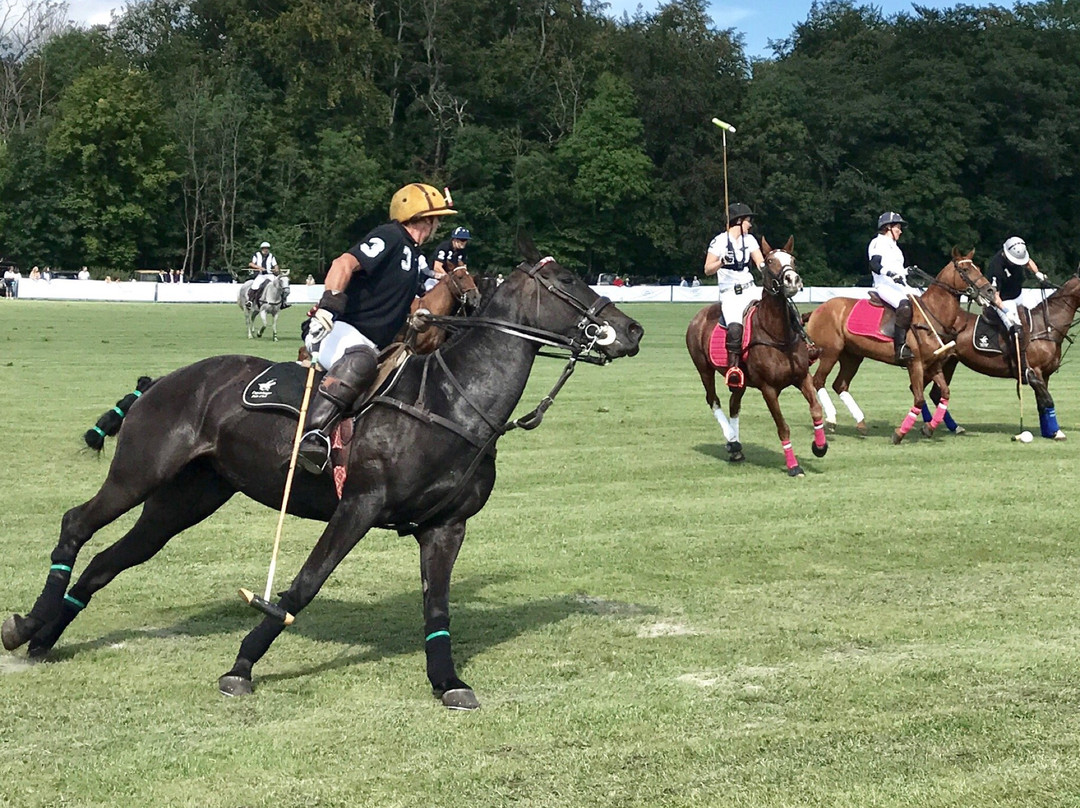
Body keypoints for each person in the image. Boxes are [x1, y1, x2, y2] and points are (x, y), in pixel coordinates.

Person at [296, 182, 457, 473]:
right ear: (426, 219)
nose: (437, 226)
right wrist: (328, 307)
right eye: (436, 219)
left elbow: (402, 299)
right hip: (339, 329)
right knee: (361, 361)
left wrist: (416, 316)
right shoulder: (390, 236)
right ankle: (314, 436)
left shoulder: (415, 255)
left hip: (375, 342)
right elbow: (343, 263)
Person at [704, 202, 766, 388]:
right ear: (738, 221)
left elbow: (760, 263)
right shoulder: (719, 241)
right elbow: (707, 269)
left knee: (779, 308)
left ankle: (804, 345)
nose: (750, 225)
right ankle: (734, 369)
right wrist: (722, 262)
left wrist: (773, 272)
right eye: (748, 221)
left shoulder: (751, 240)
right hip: (731, 294)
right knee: (735, 327)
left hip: (751, 288)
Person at [984, 236, 1047, 384]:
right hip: (1002, 300)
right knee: (1016, 329)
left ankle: (1034, 353)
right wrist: (1006, 311)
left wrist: (1038, 274)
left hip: (1018, 295)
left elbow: (1028, 262)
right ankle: (1021, 365)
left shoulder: (1017, 253)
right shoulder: (996, 267)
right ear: (1006, 253)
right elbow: (995, 296)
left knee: (1035, 321)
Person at [868, 211, 920, 365]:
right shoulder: (878, 243)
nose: (900, 231)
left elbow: (898, 269)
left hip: (900, 285)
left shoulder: (895, 247)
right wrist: (890, 274)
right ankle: (900, 347)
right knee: (904, 306)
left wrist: (906, 271)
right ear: (888, 227)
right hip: (884, 285)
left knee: (922, 302)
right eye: (898, 227)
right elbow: (874, 265)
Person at [422, 226, 470, 293]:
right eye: (462, 240)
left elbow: (463, 268)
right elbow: (437, 267)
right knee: (430, 291)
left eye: (466, 240)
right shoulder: (444, 247)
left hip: (450, 281)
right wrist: (450, 279)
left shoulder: (463, 251)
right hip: (433, 278)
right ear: (455, 239)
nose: (464, 242)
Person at [247, 241, 289, 308]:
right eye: (264, 248)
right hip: (261, 275)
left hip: (270, 275)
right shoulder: (257, 255)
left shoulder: (271, 256)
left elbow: (275, 265)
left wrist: (276, 269)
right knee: (255, 286)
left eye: (267, 248)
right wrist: (259, 267)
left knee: (280, 285)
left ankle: (283, 302)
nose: (266, 250)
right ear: (262, 249)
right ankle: (250, 301)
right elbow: (251, 264)